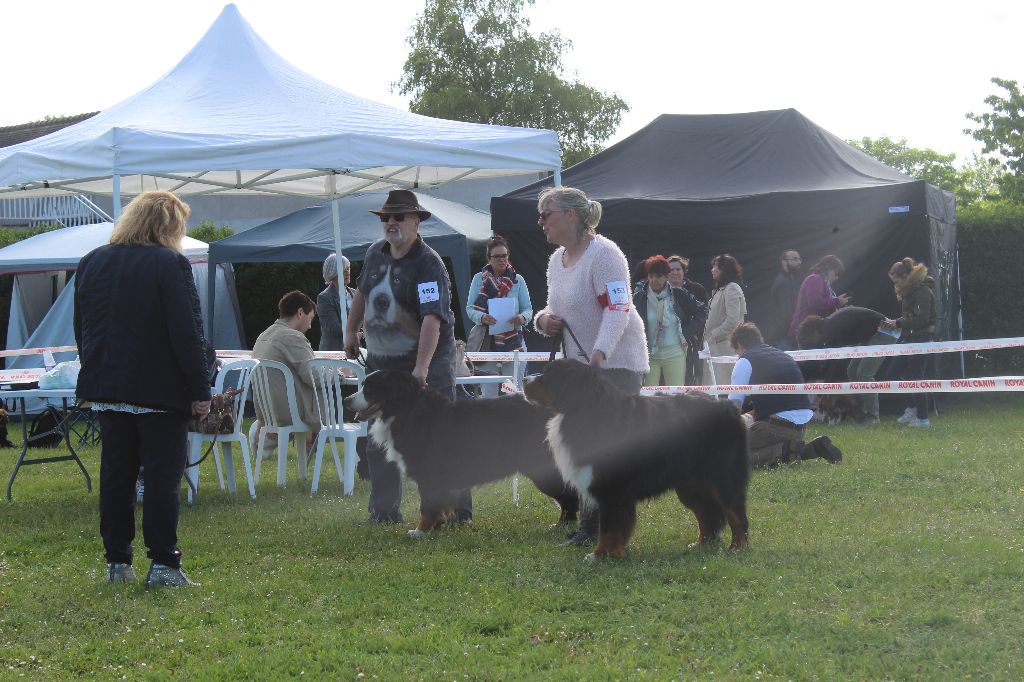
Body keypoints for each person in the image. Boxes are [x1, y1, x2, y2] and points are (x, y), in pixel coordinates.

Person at [74, 190, 211, 588]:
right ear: (171, 226)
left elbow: (82, 328)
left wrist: (95, 371)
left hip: (109, 386)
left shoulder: (92, 261)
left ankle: (118, 562)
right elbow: (188, 333)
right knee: (161, 479)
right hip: (160, 391)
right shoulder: (170, 264)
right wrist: (200, 389)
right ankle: (164, 564)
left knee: (116, 477)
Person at [344, 189, 469, 524]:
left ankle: (459, 512)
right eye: (386, 217)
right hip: (383, 364)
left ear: (416, 222)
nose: (391, 223)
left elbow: (433, 318)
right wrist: (351, 330)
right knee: (378, 438)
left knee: (441, 437)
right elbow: (363, 293)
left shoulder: (429, 263)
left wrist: (422, 367)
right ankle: (383, 512)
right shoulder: (374, 253)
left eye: (398, 217)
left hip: (426, 361)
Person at [533, 186, 649, 546]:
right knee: (585, 446)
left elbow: (618, 307)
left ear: (571, 215)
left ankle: (598, 529)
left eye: (546, 214)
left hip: (616, 366)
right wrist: (543, 321)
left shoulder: (604, 255)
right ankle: (591, 526)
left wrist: (599, 354)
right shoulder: (557, 261)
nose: (541, 222)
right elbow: (553, 310)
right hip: (582, 371)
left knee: (605, 451)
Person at [727, 323, 843, 468]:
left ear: (739, 344)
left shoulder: (744, 361)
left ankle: (787, 451)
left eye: (736, 351)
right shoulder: (783, 355)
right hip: (800, 428)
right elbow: (777, 402)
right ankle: (804, 449)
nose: (737, 355)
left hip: (774, 427)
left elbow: (733, 407)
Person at [251, 291, 320, 461]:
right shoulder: (293, 337)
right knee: (347, 406)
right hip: (289, 412)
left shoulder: (263, 335)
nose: (310, 326)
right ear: (300, 313)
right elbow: (314, 376)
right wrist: (339, 374)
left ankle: (266, 436)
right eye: (310, 318)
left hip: (266, 409)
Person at [797, 306, 893, 425]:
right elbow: (834, 364)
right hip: (873, 332)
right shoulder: (829, 325)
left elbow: (835, 364)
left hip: (887, 330)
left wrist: (826, 389)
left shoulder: (831, 331)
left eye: (811, 339)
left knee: (864, 374)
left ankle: (873, 417)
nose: (812, 342)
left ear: (816, 332)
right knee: (852, 372)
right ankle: (861, 413)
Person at [465, 234, 533, 396]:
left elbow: (528, 309)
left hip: (513, 342)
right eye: (497, 256)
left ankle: (513, 421)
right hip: (487, 343)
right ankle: (490, 422)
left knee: (513, 391)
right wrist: (482, 318)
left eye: (505, 256)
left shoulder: (518, 280)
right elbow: (469, 309)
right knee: (489, 393)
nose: (502, 260)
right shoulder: (478, 279)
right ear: (489, 259)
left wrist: (522, 318)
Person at [632, 255, 707, 387]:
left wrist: (687, 332)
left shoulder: (679, 294)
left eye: (658, 276)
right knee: (649, 395)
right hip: (649, 355)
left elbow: (702, 311)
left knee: (677, 395)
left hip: (675, 353)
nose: (654, 280)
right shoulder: (638, 298)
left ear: (666, 276)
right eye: (651, 276)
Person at [886, 257, 937, 428]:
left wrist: (899, 323)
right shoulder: (908, 291)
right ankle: (913, 408)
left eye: (897, 280)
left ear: (906, 276)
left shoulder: (922, 290)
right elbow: (910, 318)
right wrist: (896, 324)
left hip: (921, 338)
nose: (896, 284)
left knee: (916, 378)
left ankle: (923, 419)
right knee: (893, 373)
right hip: (909, 337)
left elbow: (922, 319)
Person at [704, 254, 747, 387]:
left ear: (724, 269)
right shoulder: (721, 290)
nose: (712, 270)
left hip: (724, 348)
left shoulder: (732, 288)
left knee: (726, 390)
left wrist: (713, 336)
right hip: (715, 348)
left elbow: (733, 321)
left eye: (715, 266)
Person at [788, 255, 850, 341]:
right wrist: (836, 302)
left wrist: (840, 306)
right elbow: (815, 303)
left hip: (810, 332)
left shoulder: (823, 282)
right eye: (836, 273)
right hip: (805, 333)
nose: (836, 278)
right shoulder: (815, 279)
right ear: (828, 268)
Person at [667, 255, 708, 384]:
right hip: (664, 346)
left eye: (678, 269)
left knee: (688, 380)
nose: (674, 272)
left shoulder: (697, 289)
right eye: (670, 270)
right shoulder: (658, 291)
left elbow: (703, 315)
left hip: (689, 343)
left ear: (684, 271)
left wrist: (688, 333)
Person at [316, 253, 356, 352]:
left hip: (354, 350)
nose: (347, 272)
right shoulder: (324, 297)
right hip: (333, 353)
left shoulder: (355, 294)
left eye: (348, 268)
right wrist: (356, 331)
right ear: (332, 272)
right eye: (343, 270)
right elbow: (334, 328)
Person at [767, 249, 802, 350]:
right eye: (794, 259)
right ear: (784, 262)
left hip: (783, 337)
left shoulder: (786, 280)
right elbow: (786, 313)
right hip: (783, 337)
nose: (799, 262)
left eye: (799, 259)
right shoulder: (784, 283)